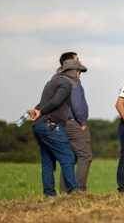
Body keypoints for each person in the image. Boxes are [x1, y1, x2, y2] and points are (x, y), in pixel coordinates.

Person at [27, 59, 87, 197]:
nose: (80, 75)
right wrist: (41, 112)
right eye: (79, 71)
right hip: (51, 124)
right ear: (73, 72)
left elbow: (44, 102)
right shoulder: (66, 84)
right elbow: (55, 102)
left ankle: (49, 195)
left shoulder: (52, 82)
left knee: (47, 161)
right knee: (69, 157)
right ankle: (73, 192)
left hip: (39, 126)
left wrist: (37, 110)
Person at [58, 52, 92, 192]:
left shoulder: (59, 79)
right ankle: (79, 191)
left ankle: (65, 191)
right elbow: (77, 104)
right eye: (77, 59)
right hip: (74, 123)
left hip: (63, 123)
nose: (79, 61)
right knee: (85, 156)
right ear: (70, 64)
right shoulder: (74, 82)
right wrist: (82, 121)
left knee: (69, 158)